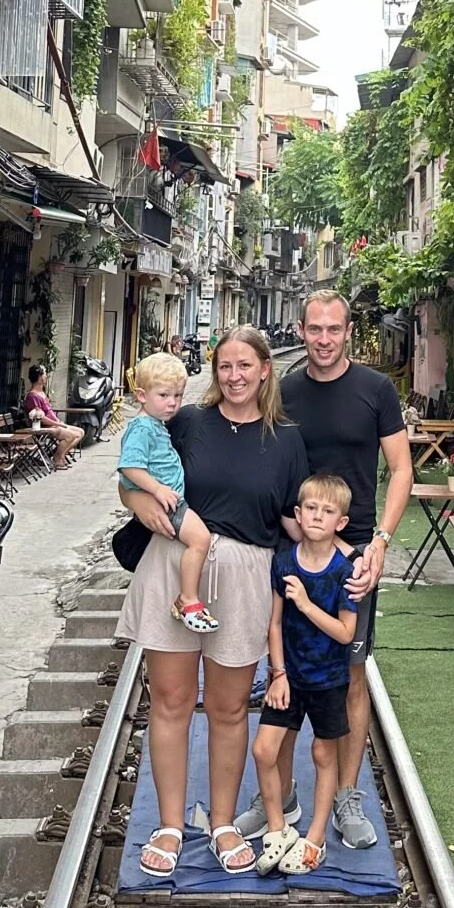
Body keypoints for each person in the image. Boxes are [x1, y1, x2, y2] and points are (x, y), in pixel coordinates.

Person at [115, 327, 308, 878]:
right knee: (171, 703)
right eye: (225, 366)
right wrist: (138, 501)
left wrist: (345, 551)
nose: (235, 376)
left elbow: (294, 518)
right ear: (214, 371)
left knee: (227, 708)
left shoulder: (287, 439)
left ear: (266, 369)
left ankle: (222, 820)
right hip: (177, 565)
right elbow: (132, 471)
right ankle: (172, 823)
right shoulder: (187, 422)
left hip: (247, 574)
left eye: (245, 365)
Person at [237, 290, 412, 852]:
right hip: (293, 550)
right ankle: (282, 797)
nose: (324, 339)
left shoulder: (376, 390)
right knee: (284, 671)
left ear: (348, 330)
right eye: (314, 329)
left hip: (354, 554)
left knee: (349, 675)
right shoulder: (283, 391)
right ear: (302, 329)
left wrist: (380, 542)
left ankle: (346, 796)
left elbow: (401, 469)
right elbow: (265, 460)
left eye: (334, 329)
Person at [254, 473, 358, 874]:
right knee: (264, 749)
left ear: (340, 522)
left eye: (327, 511)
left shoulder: (344, 571)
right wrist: (277, 673)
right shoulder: (283, 562)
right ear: (297, 514)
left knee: (321, 752)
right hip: (290, 678)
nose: (317, 517)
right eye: (310, 509)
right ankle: (279, 828)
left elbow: (346, 632)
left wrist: (308, 604)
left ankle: (315, 837)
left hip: (328, 679)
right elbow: (275, 624)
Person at [118, 352, 218, 633]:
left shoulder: (155, 425)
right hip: (169, 505)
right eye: (163, 395)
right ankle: (188, 598)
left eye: (178, 395)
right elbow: (129, 467)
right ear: (141, 395)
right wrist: (156, 489)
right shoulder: (142, 428)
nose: (172, 403)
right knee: (200, 540)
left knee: (198, 540)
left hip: (171, 501)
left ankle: (187, 597)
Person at [23, 364, 84, 471]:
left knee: (80, 432)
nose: (46, 376)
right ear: (39, 377)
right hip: (46, 427)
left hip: (54, 424)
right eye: (45, 374)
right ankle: (57, 458)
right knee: (71, 435)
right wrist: (57, 424)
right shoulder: (32, 396)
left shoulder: (42, 393)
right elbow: (40, 418)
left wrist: (58, 422)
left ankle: (61, 455)